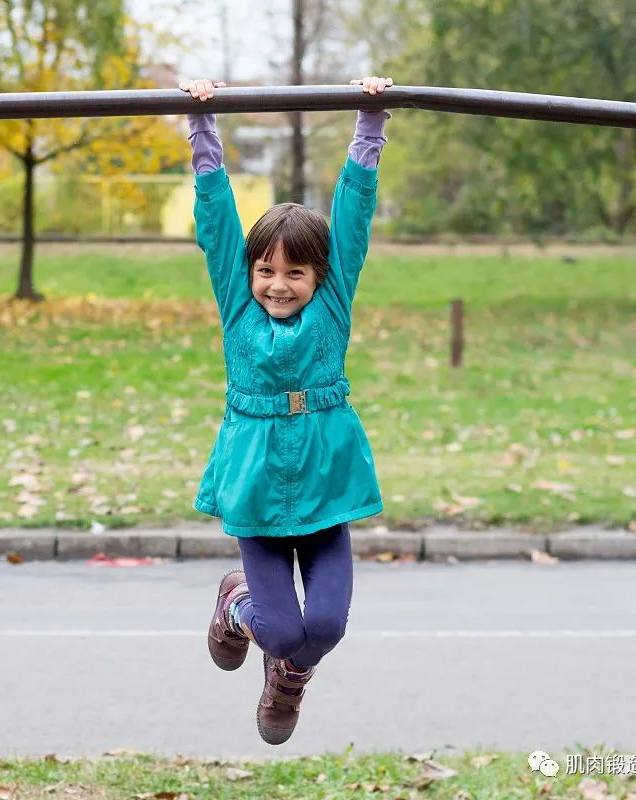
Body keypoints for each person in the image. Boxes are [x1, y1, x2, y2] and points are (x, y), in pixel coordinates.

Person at [180, 75, 393, 745]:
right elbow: (217, 221)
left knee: (323, 627)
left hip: (326, 484)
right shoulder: (239, 305)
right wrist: (201, 127)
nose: (278, 284)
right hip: (258, 484)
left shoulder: (332, 306)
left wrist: (370, 121)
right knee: (277, 628)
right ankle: (235, 602)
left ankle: (287, 680)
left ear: (320, 278)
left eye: (295, 273)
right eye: (266, 271)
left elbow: (353, 220)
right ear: (249, 275)